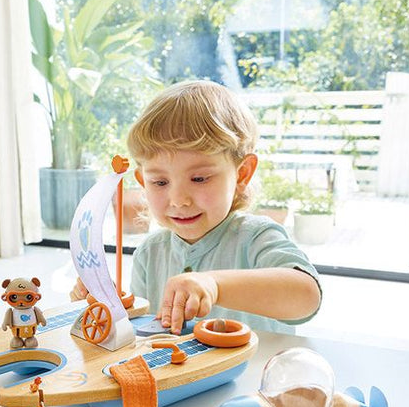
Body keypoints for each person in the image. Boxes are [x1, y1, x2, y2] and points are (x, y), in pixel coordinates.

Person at [70, 80, 322, 334]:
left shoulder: (256, 237)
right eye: (160, 182)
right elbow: (144, 331)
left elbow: (307, 296)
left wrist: (215, 285)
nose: (179, 200)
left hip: (258, 361)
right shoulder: (149, 253)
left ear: (242, 174)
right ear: (143, 182)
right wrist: (109, 306)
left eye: (199, 179)